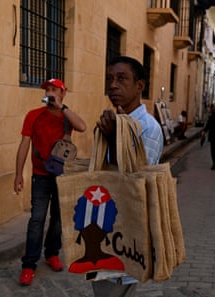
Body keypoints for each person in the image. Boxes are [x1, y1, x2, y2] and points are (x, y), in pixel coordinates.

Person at [93, 56, 164, 296]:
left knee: (112, 289)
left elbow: (135, 184)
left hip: (125, 234)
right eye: (110, 79)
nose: (113, 85)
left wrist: (114, 139)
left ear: (139, 86)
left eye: (121, 79)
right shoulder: (118, 121)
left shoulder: (148, 127)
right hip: (104, 225)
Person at [14, 78, 87, 286]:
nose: (50, 92)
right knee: (36, 219)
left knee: (58, 218)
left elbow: (82, 126)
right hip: (40, 175)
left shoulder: (66, 116)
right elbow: (24, 145)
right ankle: (29, 265)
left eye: (54, 89)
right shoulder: (33, 115)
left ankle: (52, 253)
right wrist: (19, 175)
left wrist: (62, 107)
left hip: (62, 175)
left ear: (63, 93)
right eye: (47, 89)